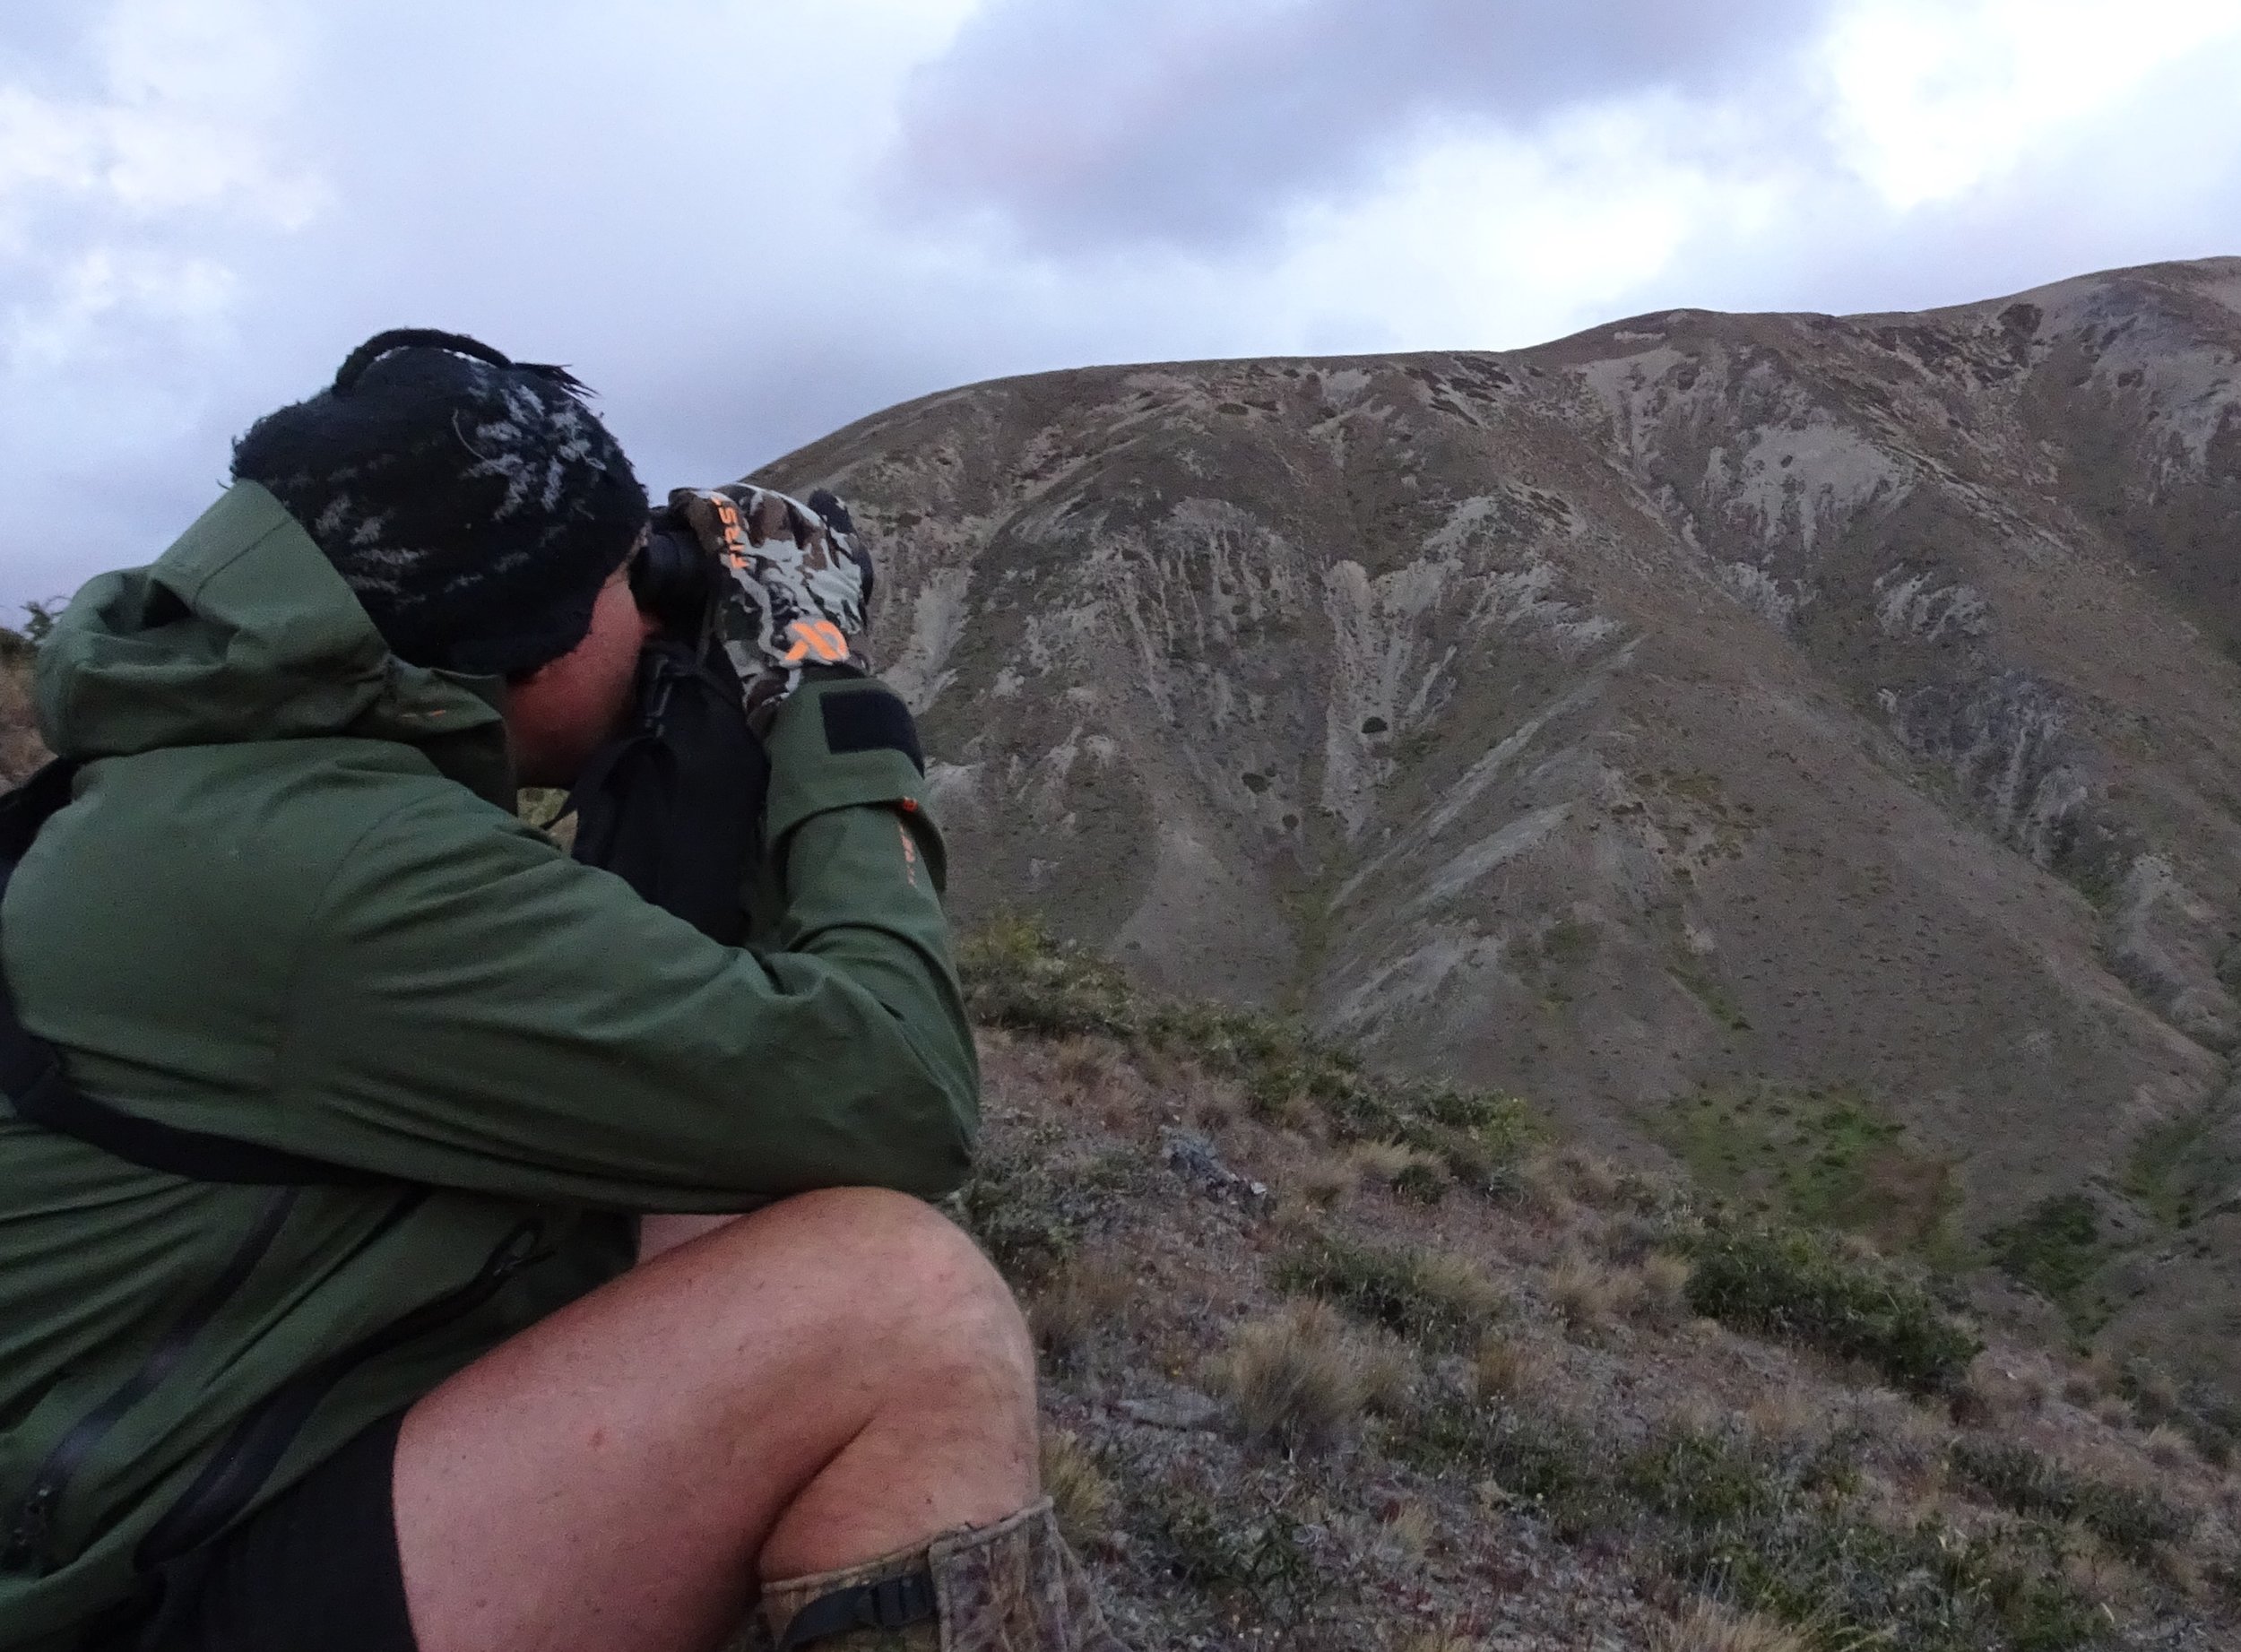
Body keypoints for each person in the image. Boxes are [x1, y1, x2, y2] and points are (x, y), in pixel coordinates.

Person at [0, 332, 1124, 1652]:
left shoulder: (219, 782)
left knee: (711, 1219)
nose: (652, 610)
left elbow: (717, 1114)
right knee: (899, 1313)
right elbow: (898, 1087)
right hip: (119, 1590)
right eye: (622, 578)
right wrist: (829, 704)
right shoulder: (337, 871)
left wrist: (685, 778)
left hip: (180, 1481)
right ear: (522, 639)